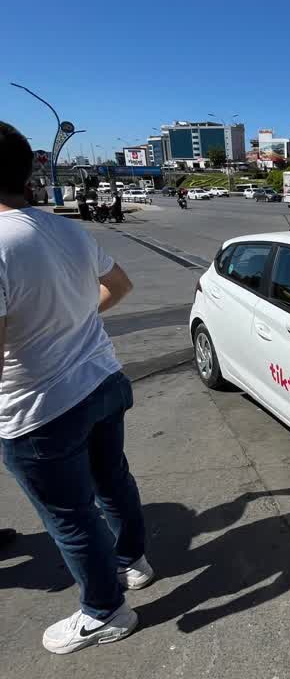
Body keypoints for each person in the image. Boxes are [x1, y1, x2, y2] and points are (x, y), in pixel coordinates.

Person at [0, 121, 152, 655]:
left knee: (70, 517)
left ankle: (105, 611)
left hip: (39, 407)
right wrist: (74, 323)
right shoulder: (65, 229)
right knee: (112, 480)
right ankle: (133, 560)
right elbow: (120, 285)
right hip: (102, 380)